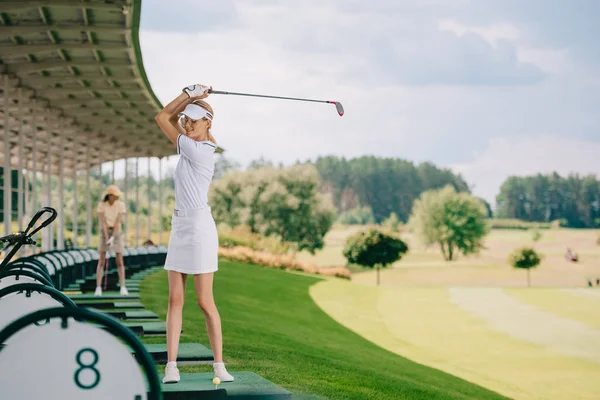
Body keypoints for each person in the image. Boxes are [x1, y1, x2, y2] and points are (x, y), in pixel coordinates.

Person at [154, 84, 234, 384]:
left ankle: (219, 365)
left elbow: (162, 117)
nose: (187, 124)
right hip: (180, 227)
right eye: (185, 120)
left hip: (200, 229)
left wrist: (189, 93)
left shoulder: (200, 150)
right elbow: (170, 119)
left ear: (207, 123)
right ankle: (171, 366)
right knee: (175, 299)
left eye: (193, 120)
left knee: (204, 301)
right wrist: (191, 99)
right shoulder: (190, 142)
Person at [94, 184, 128, 296]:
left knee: (119, 260)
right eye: (115, 195)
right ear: (110, 195)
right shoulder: (102, 205)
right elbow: (103, 223)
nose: (118, 197)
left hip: (116, 232)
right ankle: (98, 288)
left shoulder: (121, 205)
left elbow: (118, 222)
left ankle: (123, 287)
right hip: (104, 232)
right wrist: (107, 238)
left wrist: (113, 237)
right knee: (101, 260)